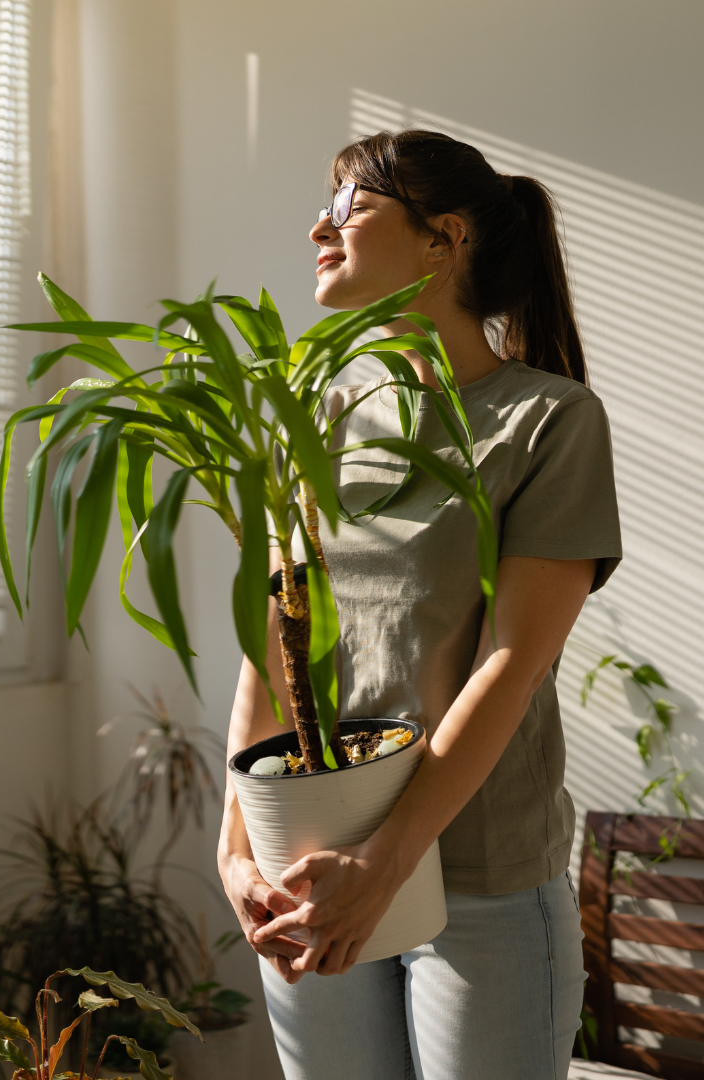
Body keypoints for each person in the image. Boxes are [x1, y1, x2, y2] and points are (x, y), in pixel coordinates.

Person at [216, 130, 622, 1080]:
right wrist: (236, 851)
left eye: (352, 205)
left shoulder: (548, 421)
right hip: (309, 864)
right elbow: (271, 652)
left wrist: (386, 865)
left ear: (444, 240)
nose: (320, 225)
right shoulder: (315, 415)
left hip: (479, 879)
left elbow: (509, 666)